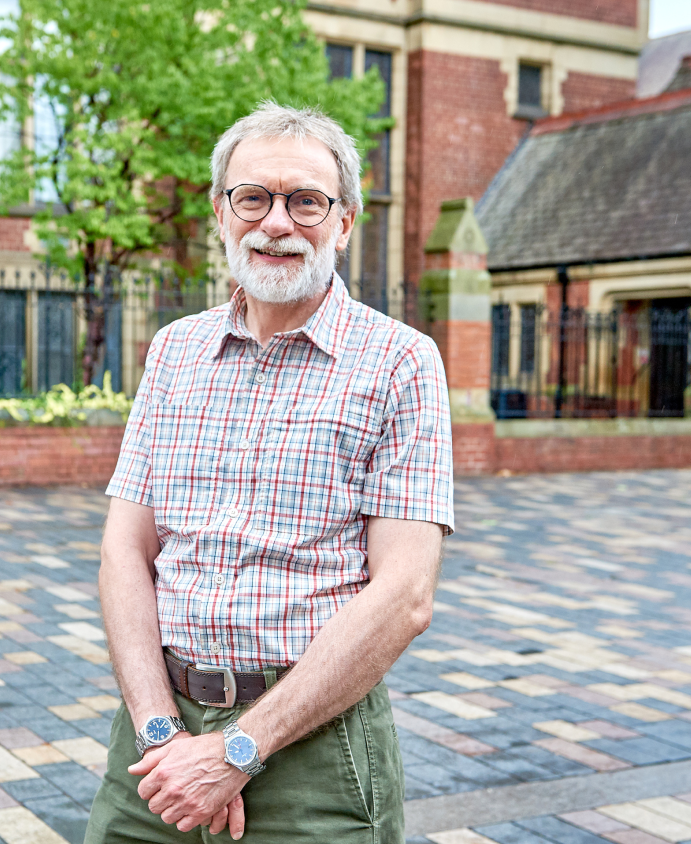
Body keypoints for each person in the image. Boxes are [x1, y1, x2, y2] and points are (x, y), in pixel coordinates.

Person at [84, 102, 454, 844]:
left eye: (306, 201)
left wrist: (236, 752)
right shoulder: (174, 352)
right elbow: (126, 552)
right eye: (253, 197)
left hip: (313, 755)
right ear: (222, 213)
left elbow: (405, 594)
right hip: (155, 740)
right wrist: (161, 734)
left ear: (345, 222)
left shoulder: (400, 362)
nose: (276, 222)